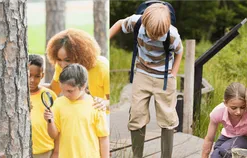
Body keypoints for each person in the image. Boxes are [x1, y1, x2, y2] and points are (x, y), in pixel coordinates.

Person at [109, 3, 184, 158]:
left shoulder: (172, 34)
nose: (154, 38)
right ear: (144, 22)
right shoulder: (136, 22)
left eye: (159, 36)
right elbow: (118, 24)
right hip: (142, 73)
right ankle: (137, 155)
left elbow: (179, 51)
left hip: (164, 76)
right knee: (136, 114)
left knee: (167, 117)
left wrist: (173, 74)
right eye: (151, 35)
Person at [45, 28, 110, 125]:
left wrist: (104, 103)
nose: (62, 65)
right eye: (59, 59)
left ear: (81, 56)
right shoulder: (61, 66)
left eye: (68, 60)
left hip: (100, 116)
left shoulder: (102, 68)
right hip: (75, 115)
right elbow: (53, 90)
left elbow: (110, 101)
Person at [44, 64, 109, 158]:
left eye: (70, 91)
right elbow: (54, 135)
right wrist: (49, 121)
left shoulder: (96, 106)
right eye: (63, 90)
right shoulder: (58, 103)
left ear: (82, 86)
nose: (65, 94)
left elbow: (103, 138)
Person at [202, 83, 247, 158]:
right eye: (234, 108)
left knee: (226, 151)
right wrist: (204, 156)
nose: (238, 112)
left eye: (243, 107)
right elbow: (209, 139)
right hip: (227, 137)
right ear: (225, 103)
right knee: (215, 155)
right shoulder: (218, 111)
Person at [28, 54, 58, 158]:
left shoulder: (49, 95)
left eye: (37, 76)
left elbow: (58, 127)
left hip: (45, 151)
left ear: (42, 75)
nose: (32, 80)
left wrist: (56, 152)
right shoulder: (15, 97)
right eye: (29, 75)